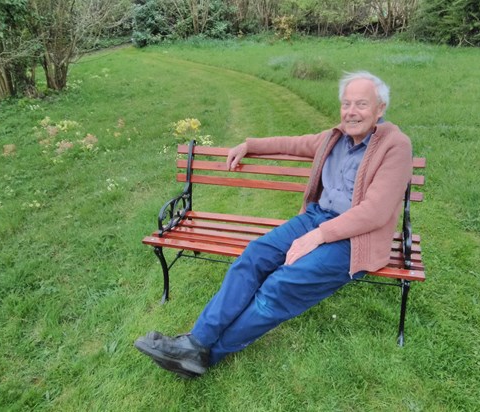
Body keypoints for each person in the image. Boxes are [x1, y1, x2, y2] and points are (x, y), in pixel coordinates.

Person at [134, 70, 413, 379]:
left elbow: (375, 212)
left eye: (361, 104)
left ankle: (206, 355)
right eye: (346, 104)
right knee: (253, 256)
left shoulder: (395, 146)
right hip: (315, 219)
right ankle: (195, 342)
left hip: (355, 240)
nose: (351, 112)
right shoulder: (334, 138)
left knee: (281, 284)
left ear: (380, 108)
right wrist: (249, 145)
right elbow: (292, 144)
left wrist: (318, 237)